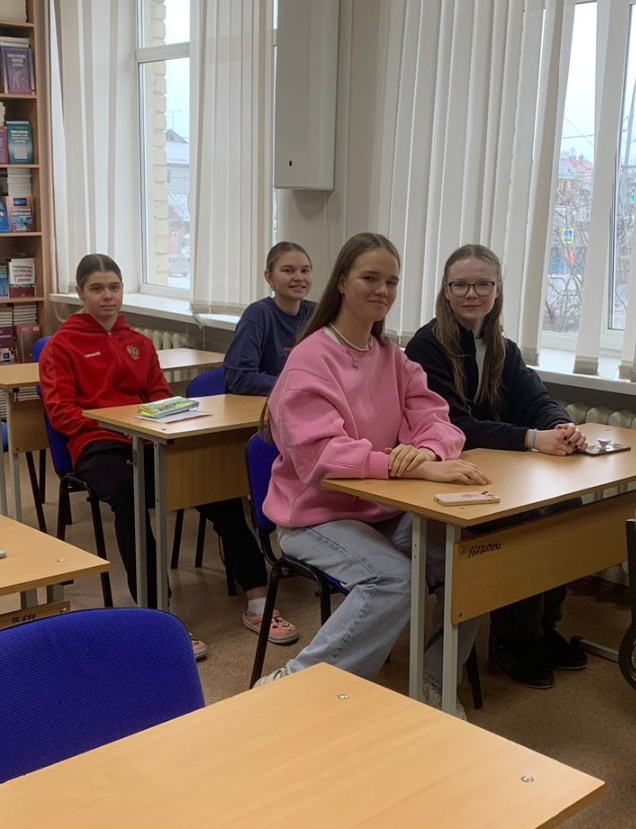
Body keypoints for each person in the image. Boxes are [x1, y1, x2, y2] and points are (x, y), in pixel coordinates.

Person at [258, 231, 492, 716]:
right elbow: (322, 457)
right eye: (370, 278)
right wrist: (407, 468)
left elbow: (439, 420)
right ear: (343, 281)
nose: (383, 290)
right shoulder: (309, 359)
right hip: (315, 517)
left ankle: (431, 680)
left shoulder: (392, 356)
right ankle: (297, 687)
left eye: (392, 281)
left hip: (382, 511)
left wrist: (425, 451)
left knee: (470, 561)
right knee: (394, 580)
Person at [39, 254, 298, 653]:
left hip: (149, 440)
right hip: (98, 446)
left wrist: (162, 417)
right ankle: (159, 616)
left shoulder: (139, 343)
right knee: (130, 500)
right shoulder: (61, 346)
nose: (107, 296)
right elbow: (62, 413)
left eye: (114, 287)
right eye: (97, 289)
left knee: (216, 488)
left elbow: (159, 396)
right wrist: (117, 425)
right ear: (80, 293)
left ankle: (259, 602)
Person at [404, 243, 589, 689]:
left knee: (566, 508)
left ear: (498, 289)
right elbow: (457, 425)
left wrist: (561, 426)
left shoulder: (503, 347)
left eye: (483, 284)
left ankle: (542, 627)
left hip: (497, 468)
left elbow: (536, 399)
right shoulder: (427, 346)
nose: (472, 293)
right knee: (518, 522)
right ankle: (514, 640)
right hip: (449, 473)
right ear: (446, 291)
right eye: (461, 285)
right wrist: (532, 439)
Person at [224, 241, 317, 396]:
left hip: (303, 401)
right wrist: (296, 385)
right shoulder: (258, 314)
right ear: (269, 277)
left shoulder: (316, 313)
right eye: (288, 271)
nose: (299, 277)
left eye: (305, 271)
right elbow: (239, 377)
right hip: (260, 405)